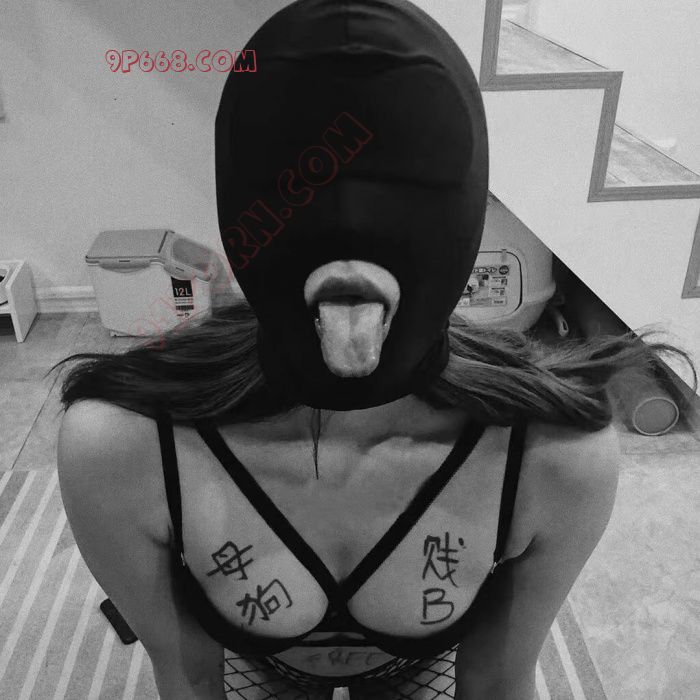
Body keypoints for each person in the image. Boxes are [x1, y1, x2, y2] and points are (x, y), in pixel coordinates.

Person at [51, 1, 695, 698]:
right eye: (294, 183)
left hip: (420, 665)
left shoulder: (552, 454)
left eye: (409, 187)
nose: (350, 224)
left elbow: (498, 681)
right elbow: (189, 676)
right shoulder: (125, 449)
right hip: (254, 664)